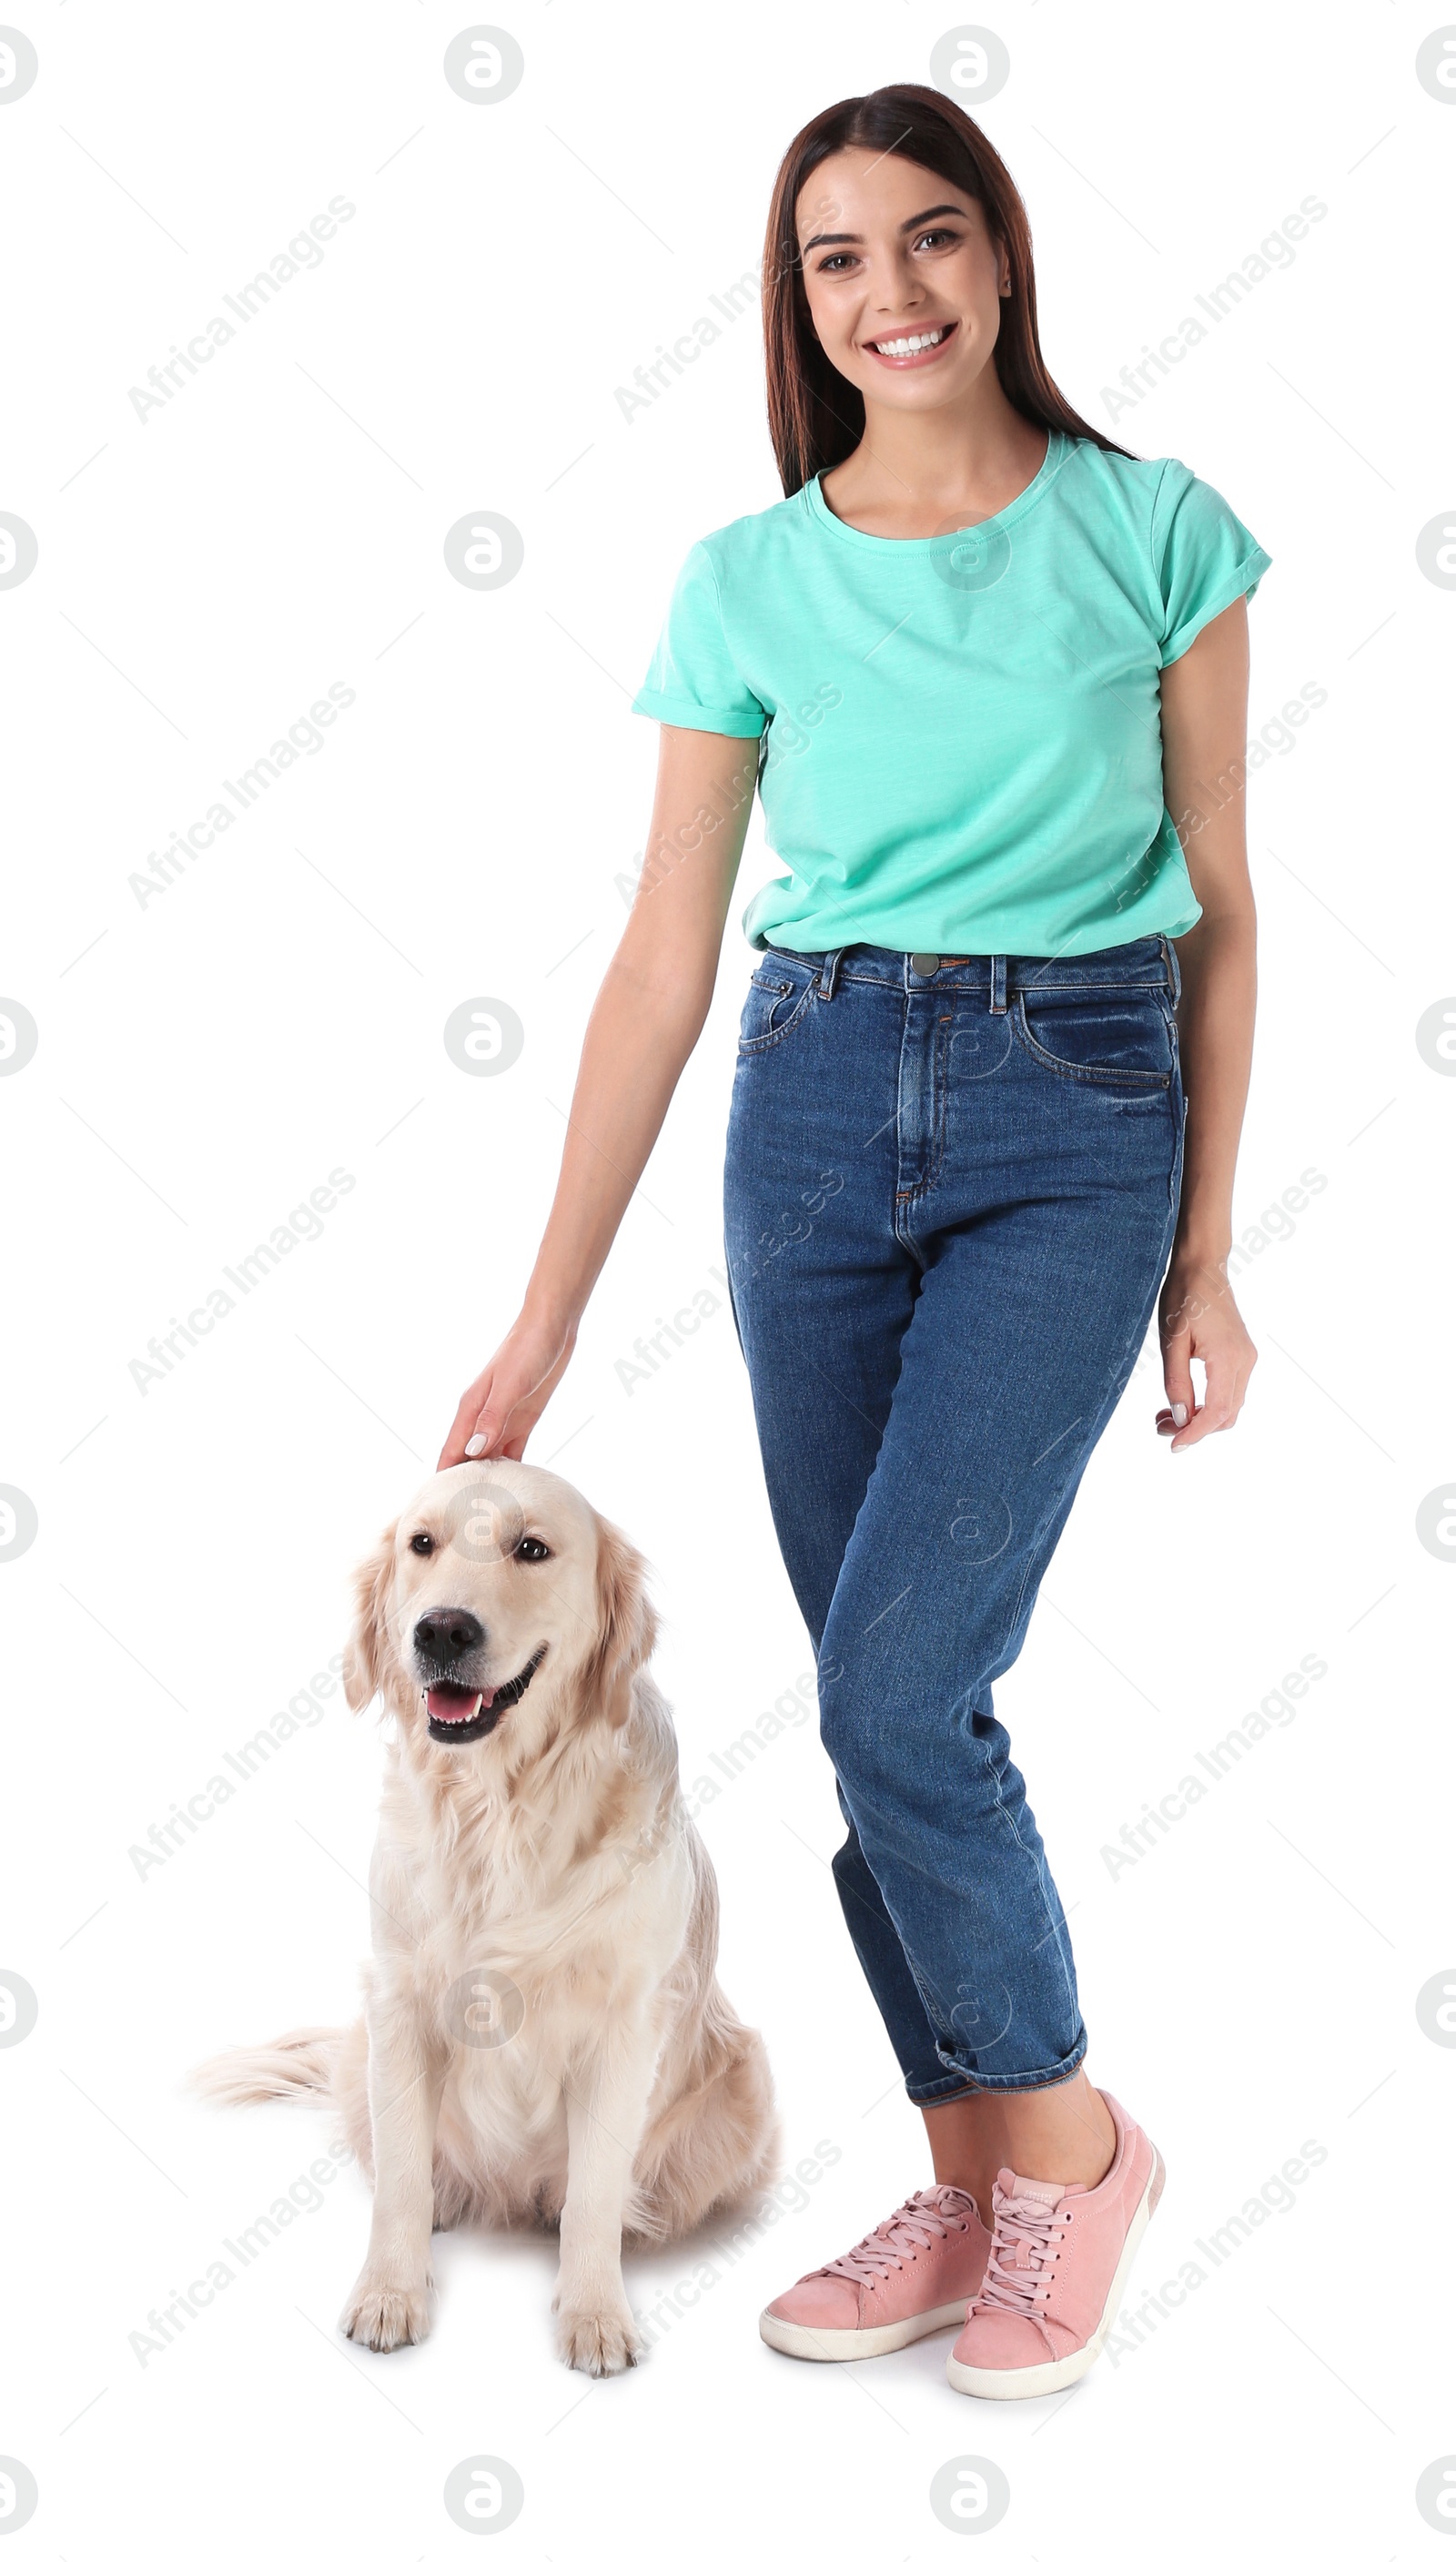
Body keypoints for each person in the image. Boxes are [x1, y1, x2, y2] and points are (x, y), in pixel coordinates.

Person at [440, 83, 1269, 2400]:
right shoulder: (746, 577)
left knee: (902, 1693)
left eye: (927, 241)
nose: (886, 293)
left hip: (1073, 1121)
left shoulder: (1154, 531)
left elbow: (1216, 913)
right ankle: (968, 2174)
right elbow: (653, 965)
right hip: (804, 1118)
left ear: (998, 258)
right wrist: (541, 1313)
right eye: (833, 260)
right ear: (794, 301)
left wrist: (1205, 1252)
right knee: (881, 1708)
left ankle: (1075, 2156)